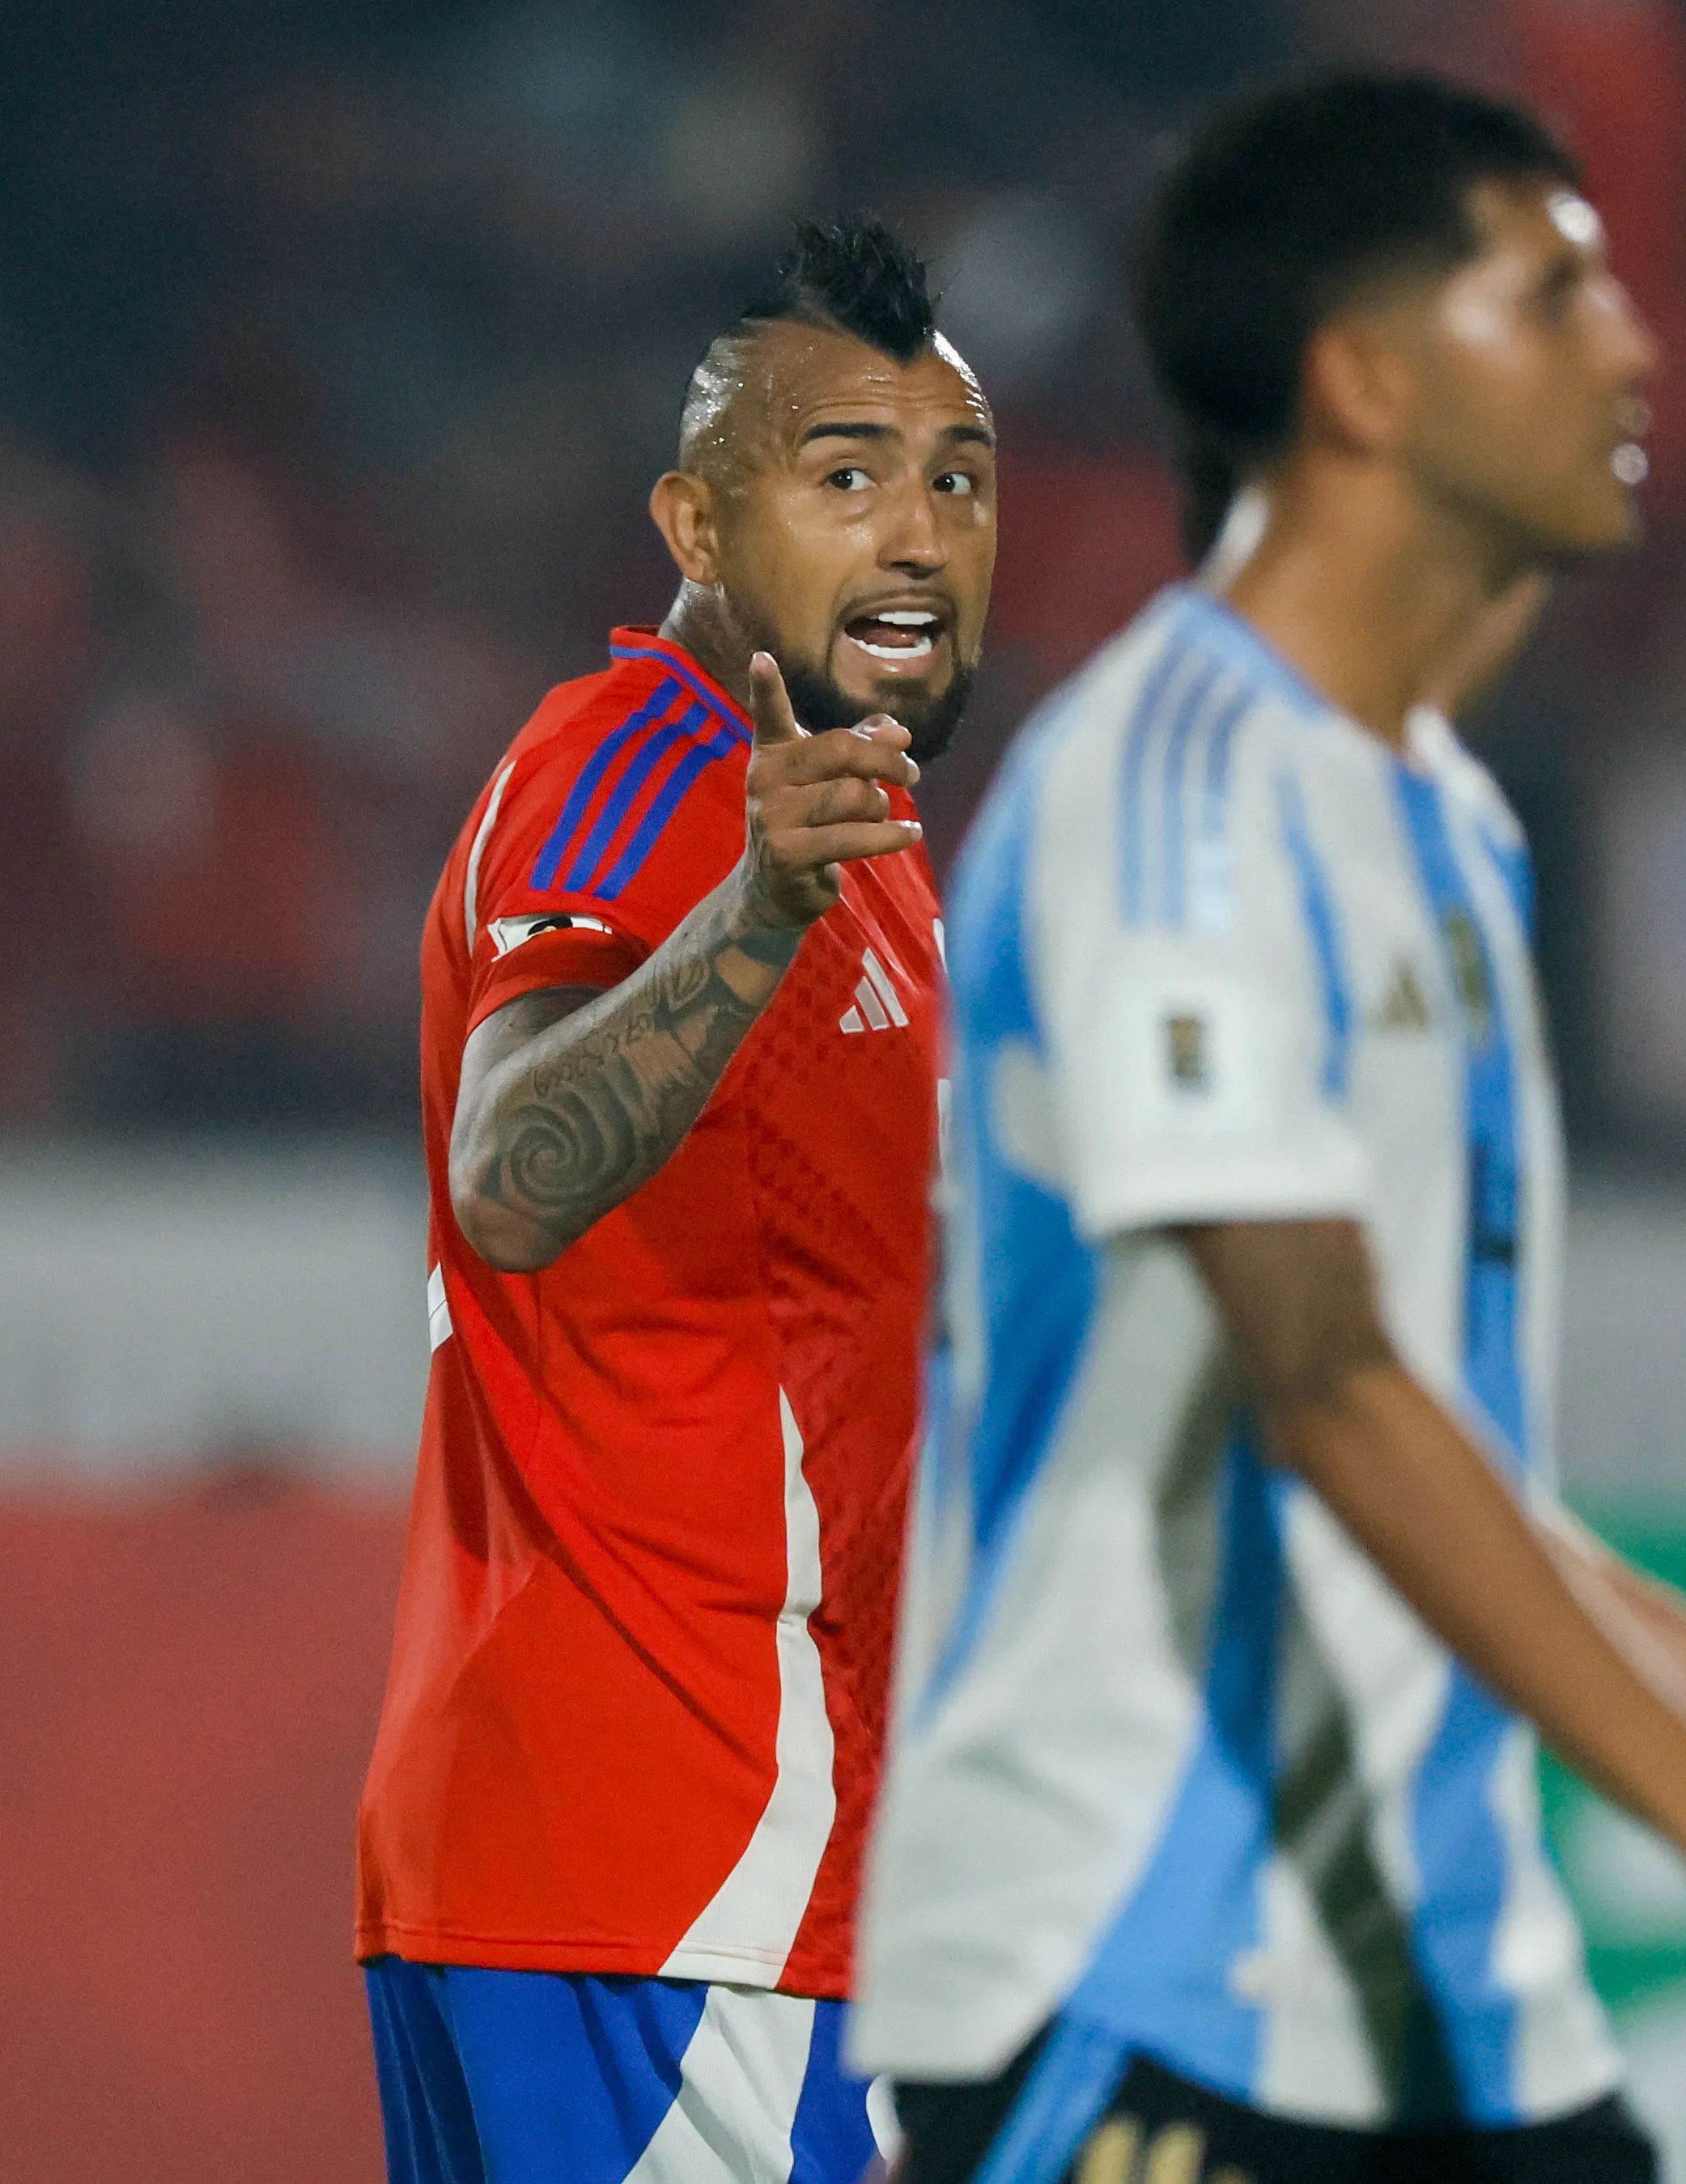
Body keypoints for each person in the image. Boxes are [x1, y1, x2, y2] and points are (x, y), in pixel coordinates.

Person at [852, 75, 1686, 2184]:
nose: (1637, 343)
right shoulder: (1172, 786)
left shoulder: (1437, 822)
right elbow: (1318, 1383)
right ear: (1363, 382)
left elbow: (1421, 1437)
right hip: (1130, 1981)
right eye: (1553, 295)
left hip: (1452, 2014)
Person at [357, 218, 993, 2184]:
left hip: (698, 1863)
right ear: (698, 530)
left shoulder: (853, 846)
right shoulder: (646, 762)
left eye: (955, 480)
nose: (913, 535)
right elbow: (506, 1166)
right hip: (665, 1859)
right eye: (842, 476)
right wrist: (740, 930)